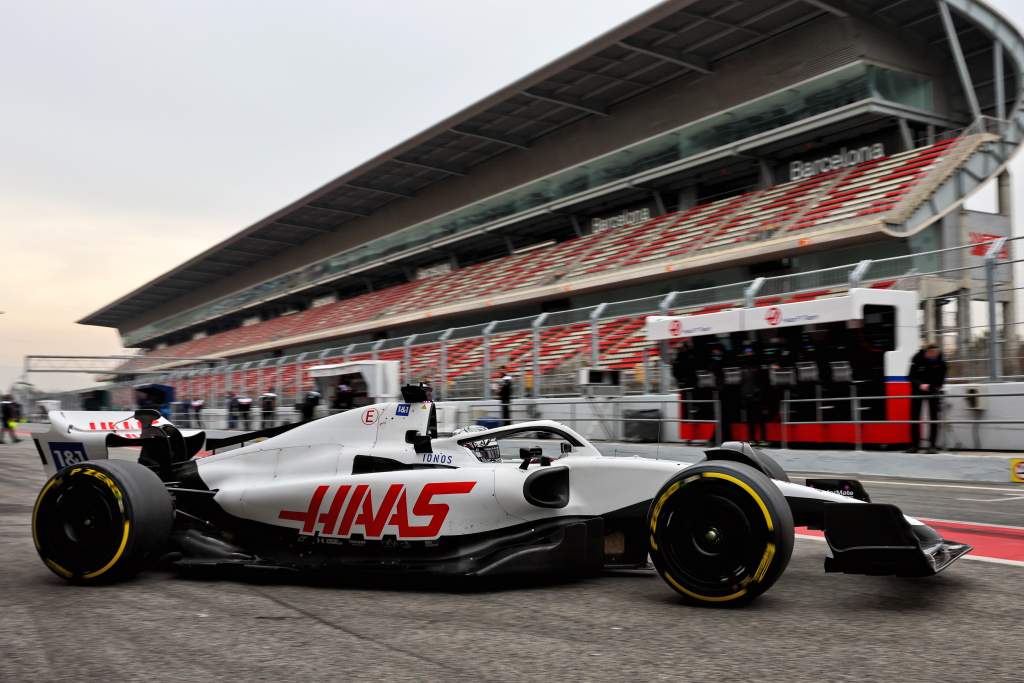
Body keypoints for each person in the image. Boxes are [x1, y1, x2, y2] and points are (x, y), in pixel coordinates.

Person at [907, 343, 947, 453]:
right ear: (926, 352)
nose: (934, 356)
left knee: (933, 418)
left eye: (936, 353)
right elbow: (910, 377)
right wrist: (920, 385)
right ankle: (914, 445)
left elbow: (941, 381)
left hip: (933, 391)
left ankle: (932, 446)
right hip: (917, 391)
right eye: (931, 354)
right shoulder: (917, 359)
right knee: (914, 417)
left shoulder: (941, 363)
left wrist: (932, 387)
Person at [739, 345, 767, 446]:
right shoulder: (743, 367)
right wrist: (743, 398)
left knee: (759, 419)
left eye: (750, 352)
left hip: (757, 397)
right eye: (747, 352)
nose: (748, 354)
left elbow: (762, 382)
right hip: (747, 397)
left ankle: (763, 439)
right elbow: (742, 383)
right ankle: (752, 439)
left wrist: (760, 395)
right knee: (750, 420)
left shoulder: (757, 366)